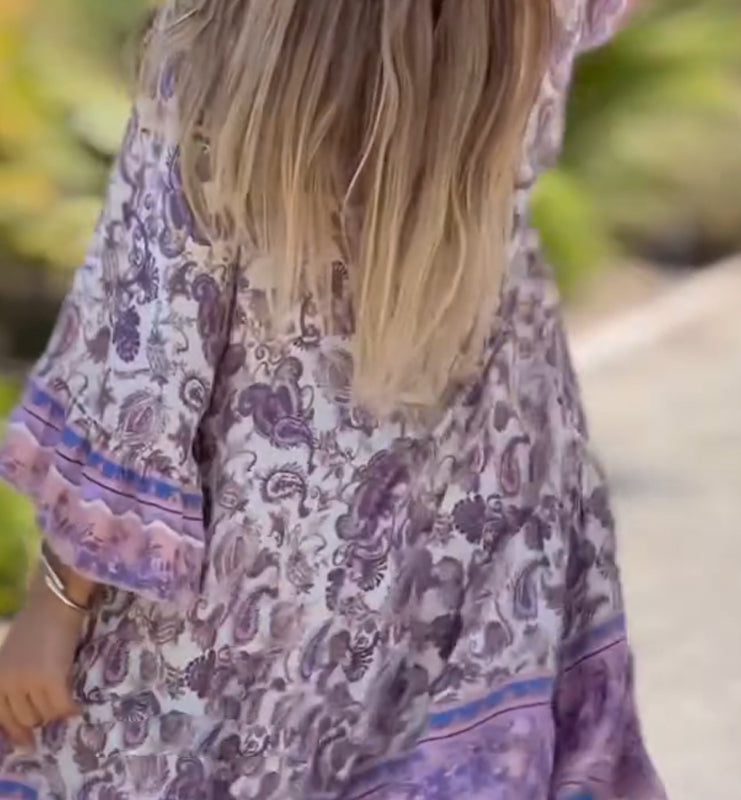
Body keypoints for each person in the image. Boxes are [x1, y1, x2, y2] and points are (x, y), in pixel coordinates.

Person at [0, 1, 665, 798]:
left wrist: (57, 602)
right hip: (483, 565)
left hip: (255, 593)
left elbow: (144, 363)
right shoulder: (525, 27)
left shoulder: (218, 48)